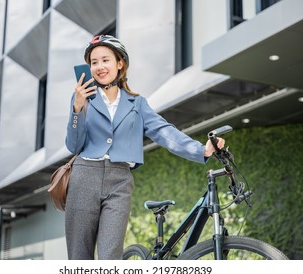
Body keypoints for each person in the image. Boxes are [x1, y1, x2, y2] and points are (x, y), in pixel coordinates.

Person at [65, 35, 225, 260]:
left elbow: (164, 131)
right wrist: (77, 108)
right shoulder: (83, 98)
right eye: (94, 62)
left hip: (119, 182)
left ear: (120, 63)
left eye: (105, 60)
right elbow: (73, 145)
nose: (99, 67)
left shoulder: (137, 103)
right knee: (79, 257)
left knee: (111, 257)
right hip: (84, 178)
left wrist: (202, 150)